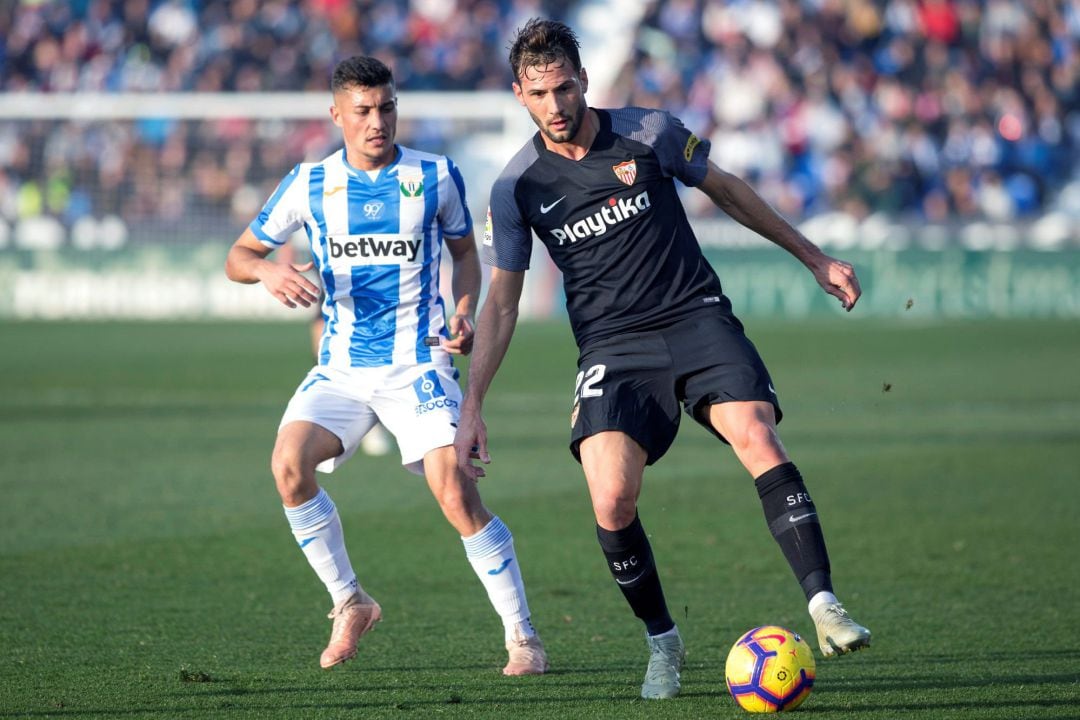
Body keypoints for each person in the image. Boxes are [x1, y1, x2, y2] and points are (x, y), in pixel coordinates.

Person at [454, 19, 869, 699]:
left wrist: (814, 257)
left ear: (585, 80)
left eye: (564, 87)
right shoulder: (519, 185)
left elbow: (727, 187)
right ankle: (663, 643)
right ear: (519, 95)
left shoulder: (650, 132)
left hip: (695, 316)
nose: (555, 105)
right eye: (539, 93)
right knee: (611, 497)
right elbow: (502, 303)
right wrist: (473, 406)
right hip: (614, 347)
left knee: (757, 435)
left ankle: (824, 604)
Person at [225, 55, 548, 676]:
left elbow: (466, 256)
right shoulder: (308, 184)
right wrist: (267, 268)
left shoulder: (435, 175)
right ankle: (350, 601)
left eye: (388, 108)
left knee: (455, 490)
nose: (379, 121)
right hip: (342, 366)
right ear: (337, 115)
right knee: (288, 466)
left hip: (418, 363)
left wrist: (462, 310)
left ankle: (523, 635)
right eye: (365, 111)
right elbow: (238, 254)